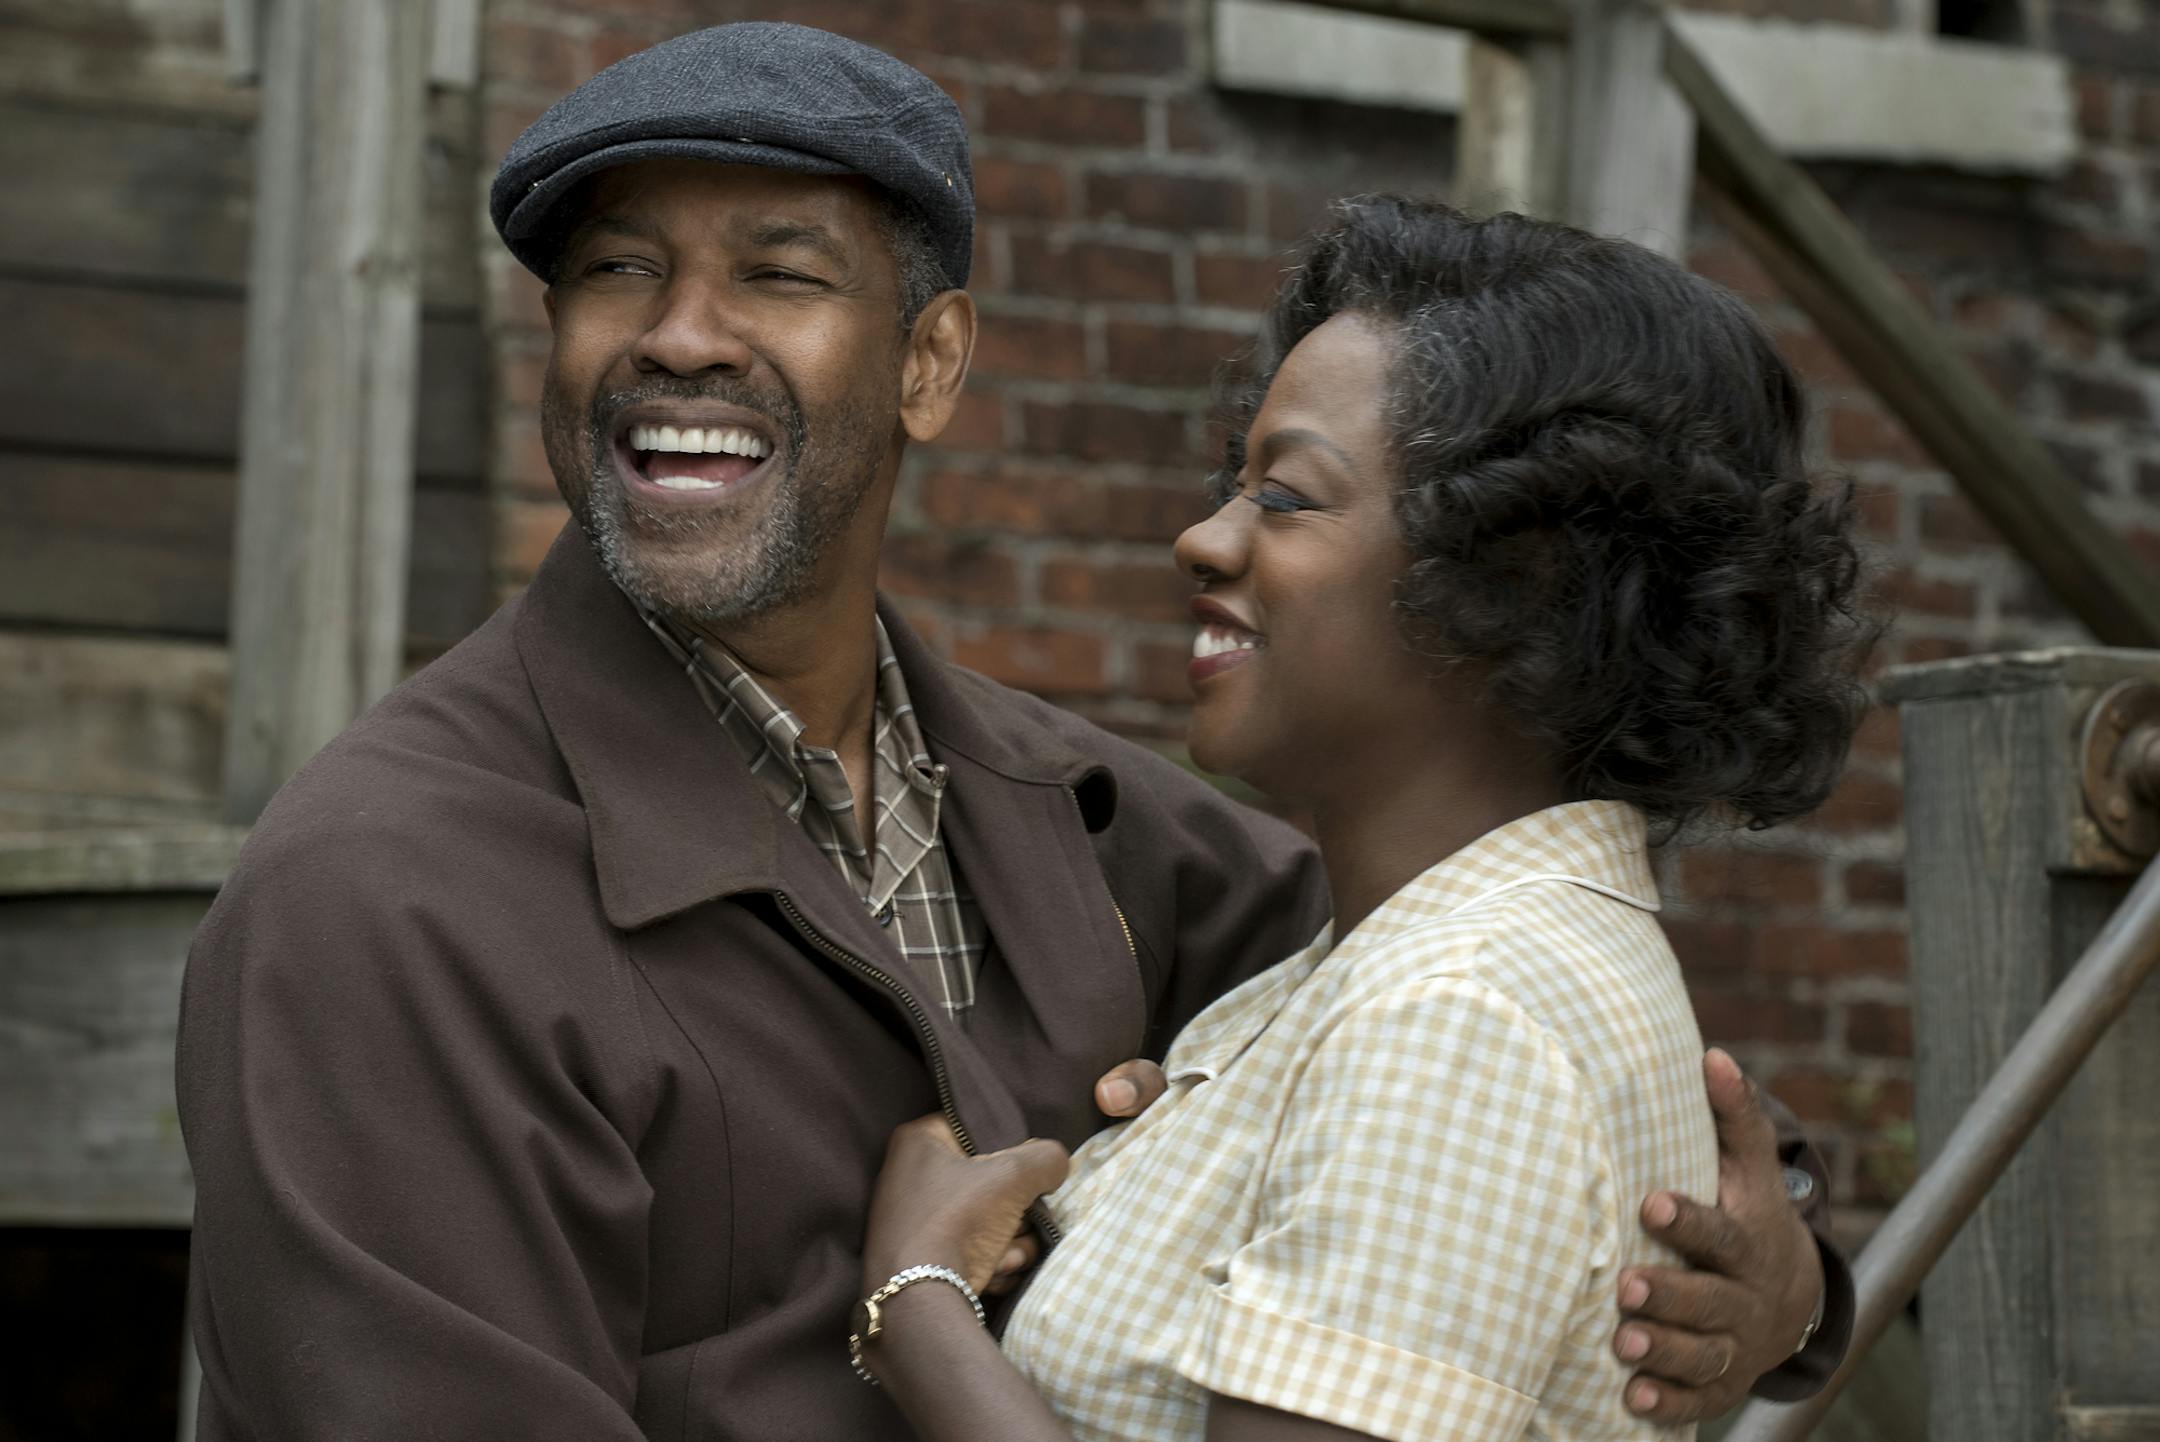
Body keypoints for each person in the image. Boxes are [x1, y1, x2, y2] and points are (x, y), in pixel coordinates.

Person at [176, 25, 1847, 1441]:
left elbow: (1488, 1038)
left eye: (778, 270)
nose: (678, 332)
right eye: (617, 270)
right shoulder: (385, 900)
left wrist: (1787, 1272)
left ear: (930, 362)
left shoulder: (1096, 827)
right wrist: (915, 1310)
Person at [851, 198, 1874, 1442]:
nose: (1203, 537)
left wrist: (916, 1302)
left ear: (1513, 576)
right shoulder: (1374, 963)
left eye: (1283, 496)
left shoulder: (1462, 1011)